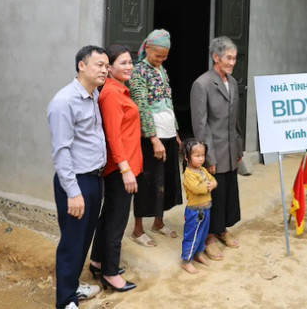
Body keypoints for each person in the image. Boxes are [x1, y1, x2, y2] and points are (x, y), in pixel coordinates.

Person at [47, 45, 108, 309]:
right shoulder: (64, 101)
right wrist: (73, 191)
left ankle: (73, 287)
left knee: (84, 237)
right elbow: (61, 152)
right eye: (99, 65)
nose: (105, 70)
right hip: (76, 181)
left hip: (95, 178)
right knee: (72, 242)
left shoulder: (92, 95)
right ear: (81, 65)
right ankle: (65, 301)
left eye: (107, 66)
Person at [89, 45, 141, 292]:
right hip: (120, 168)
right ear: (109, 67)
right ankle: (110, 273)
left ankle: (98, 261)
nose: (129, 66)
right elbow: (113, 137)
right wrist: (125, 170)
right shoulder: (110, 93)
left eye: (130, 62)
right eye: (123, 63)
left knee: (109, 216)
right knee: (116, 221)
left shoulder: (119, 90)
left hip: (124, 166)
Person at [190, 36, 244, 260]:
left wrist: (239, 148)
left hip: (231, 149)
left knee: (228, 192)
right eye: (228, 58)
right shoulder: (202, 84)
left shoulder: (231, 82)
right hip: (214, 151)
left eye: (234, 58)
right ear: (216, 57)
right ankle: (209, 237)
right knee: (214, 195)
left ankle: (222, 230)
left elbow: (236, 119)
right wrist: (207, 156)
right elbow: (200, 125)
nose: (232, 62)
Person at [129, 29, 182, 247]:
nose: (160, 59)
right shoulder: (138, 71)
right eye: (157, 55)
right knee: (147, 181)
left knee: (166, 180)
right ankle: (138, 228)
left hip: (168, 132)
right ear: (147, 48)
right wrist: (153, 138)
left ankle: (158, 222)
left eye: (164, 56)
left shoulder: (162, 70)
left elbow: (169, 101)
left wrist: (176, 131)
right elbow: (141, 106)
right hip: (151, 136)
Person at [180, 138, 217, 274]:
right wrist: (209, 186)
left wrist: (213, 183)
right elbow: (198, 189)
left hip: (206, 209)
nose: (201, 159)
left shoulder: (202, 170)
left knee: (202, 234)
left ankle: (198, 253)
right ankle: (186, 260)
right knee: (192, 235)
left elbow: (213, 180)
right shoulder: (188, 174)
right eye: (197, 156)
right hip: (195, 212)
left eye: (202, 155)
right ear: (186, 157)